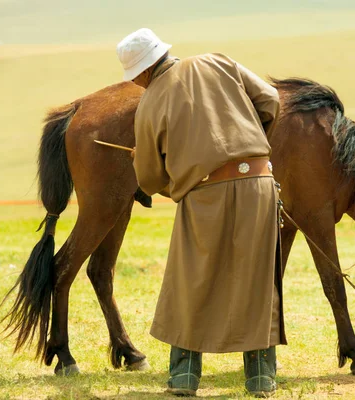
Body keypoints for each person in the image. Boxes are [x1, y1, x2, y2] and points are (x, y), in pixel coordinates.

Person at [116, 28, 286, 398]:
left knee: (188, 281)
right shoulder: (218, 61)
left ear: (141, 73)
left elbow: (147, 179)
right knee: (256, 278)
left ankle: (183, 379)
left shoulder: (149, 103)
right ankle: (260, 379)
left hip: (205, 193)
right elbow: (271, 101)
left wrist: (166, 169)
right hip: (259, 184)